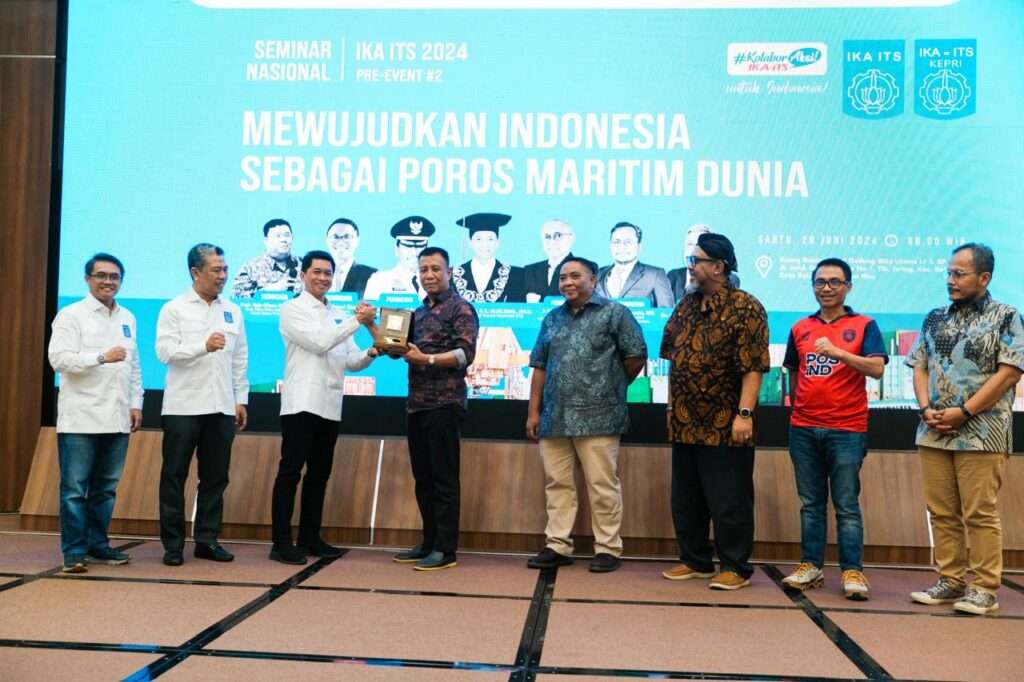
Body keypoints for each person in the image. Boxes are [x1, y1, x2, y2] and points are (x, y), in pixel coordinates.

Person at [907, 243, 1024, 616]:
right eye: (949, 273)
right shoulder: (934, 318)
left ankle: (985, 588)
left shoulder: (1007, 316)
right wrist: (925, 407)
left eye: (959, 274)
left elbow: (1010, 373)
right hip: (934, 430)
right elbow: (919, 365)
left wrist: (965, 411)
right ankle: (950, 580)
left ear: (984, 277)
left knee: (979, 513)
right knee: (941, 512)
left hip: (983, 431)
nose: (950, 280)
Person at [659, 233, 769, 590]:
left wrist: (744, 414)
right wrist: (671, 405)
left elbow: (753, 367)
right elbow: (673, 358)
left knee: (729, 498)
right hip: (685, 419)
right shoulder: (685, 305)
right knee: (686, 497)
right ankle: (695, 560)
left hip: (726, 422)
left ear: (719, 266)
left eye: (697, 261)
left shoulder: (746, 307)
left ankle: (735, 566)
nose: (690, 267)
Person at [525, 257, 647, 572]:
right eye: (563, 277)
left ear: (593, 279)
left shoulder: (615, 313)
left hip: (600, 417)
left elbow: (636, 355)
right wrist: (533, 412)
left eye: (575, 276)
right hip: (555, 417)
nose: (567, 282)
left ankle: (608, 548)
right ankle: (558, 545)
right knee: (557, 484)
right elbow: (539, 366)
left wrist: (611, 386)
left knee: (602, 485)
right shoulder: (552, 318)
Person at [780, 257, 887, 600]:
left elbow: (876, 369)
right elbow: (794, 371)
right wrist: (799, 408)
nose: (826, 288)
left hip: (847, 429)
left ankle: (852, 570)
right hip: (803, 427)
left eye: (834, 282)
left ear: (848, 287)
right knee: (810, 503)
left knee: (846, 504)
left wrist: (839, 353)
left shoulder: (864, 325)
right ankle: (810, 566)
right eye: (820, 282)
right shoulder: (800, 327)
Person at [269, 250, 380, 564]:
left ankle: (309, 537)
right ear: (303, 274)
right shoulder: (291, 309)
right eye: (316, 272)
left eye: (328, 273)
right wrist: (356, 321)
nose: (322, 278)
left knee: (319, 474)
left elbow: (351, 361)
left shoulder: (338, 314)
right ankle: (281, 542)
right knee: (291, 472)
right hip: (301, 403)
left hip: (330, 405)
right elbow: (319, 342)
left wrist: (373, 351)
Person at [48, 253, 143, 573]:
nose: (108, 281)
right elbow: (59, 360)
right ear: (88, 279)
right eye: (101, 275)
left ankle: (97, 545)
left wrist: (136, 403)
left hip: (117, 416)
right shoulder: (71, 315)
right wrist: (100, 357)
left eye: (114, 276)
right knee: (75, 490)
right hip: (81, 417)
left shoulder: (128, 317)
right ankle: (74, 552)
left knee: (105, 489)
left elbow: (134, 365)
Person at [156, 243, 249, 566]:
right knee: (174, 476)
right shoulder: (174, 308)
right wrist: (202, 346)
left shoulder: (233, 310)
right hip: (183, 406)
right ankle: (172, 545)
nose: (223, 275)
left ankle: (207, 540)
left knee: (215, 478)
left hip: (221, 406)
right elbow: (165, 352)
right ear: (196, 272)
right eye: (216, 270)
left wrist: (240, 399)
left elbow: (239, 358)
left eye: (225, 269)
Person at [391, 247, 479, 571]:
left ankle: (445, 549)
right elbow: (395, 349)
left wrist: (426, 359)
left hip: (445, 403)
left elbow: (464, 355)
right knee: (423, 479)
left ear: (449, 272)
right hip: (416, 405)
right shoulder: (417, 312)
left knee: (443, 480)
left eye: (435, 269)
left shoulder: (461, 308)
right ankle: (428, 542)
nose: (429, 275)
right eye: (423, 269)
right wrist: (373, 326)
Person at [595, 221, 674, 308]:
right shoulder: (598, 274)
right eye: (616, 242)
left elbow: (667, 312)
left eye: (627, 242)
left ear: (638, 246)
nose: (621, 247)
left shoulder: (654, 275)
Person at [452, 212, 526, 302]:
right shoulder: (453, 275)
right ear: (470, 242)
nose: (485, 245)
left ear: (498, 242)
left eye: (490, 239)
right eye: (478, 239)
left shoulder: (516, 275)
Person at [363, 216, 435, 301]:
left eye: (420, 246)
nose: (414, 252)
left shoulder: (436, 281)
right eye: (408, 246)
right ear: (397, 249)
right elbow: (369, 309)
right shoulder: (380, 281)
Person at [666, 224, 739, 302]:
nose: (692, 250)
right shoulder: (673, 277)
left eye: (698, 245)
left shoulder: (729, 279)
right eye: (689, 244)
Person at [232, 218, 301, 298]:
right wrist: (269, 291)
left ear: (292, 238)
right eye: (278, 236)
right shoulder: (250, 268)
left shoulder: (304, 265)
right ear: (266, 240)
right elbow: (237, 298)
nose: (283, 240)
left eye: (287, 235)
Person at [523, 219, 575, 302]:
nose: (552, 241)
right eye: (547, 237)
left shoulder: (585, 268)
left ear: (571, 238)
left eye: (558, 235)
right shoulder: (529, 271)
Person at [325, 218, 377, 298]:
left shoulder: (372, 275)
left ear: (357, 240)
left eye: (347, 237)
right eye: (335, 237)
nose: (341, 242)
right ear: (327, 240)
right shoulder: (314, 274)